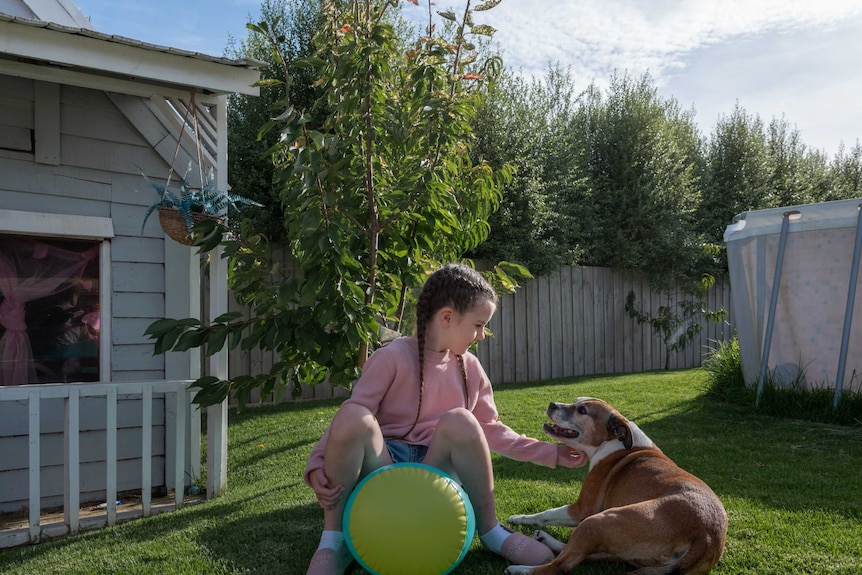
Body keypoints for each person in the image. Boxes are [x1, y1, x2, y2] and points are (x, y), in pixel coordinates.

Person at [304, 263, 587, 575]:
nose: (481, 335)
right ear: (448, 318)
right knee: (355, 413)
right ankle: (332, 540)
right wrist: (317, 464)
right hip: (383, 468)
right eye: (478, 325)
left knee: (462, 421)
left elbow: (489, 429)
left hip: (436, 471)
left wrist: (551, 452)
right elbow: (348, 418)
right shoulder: (390, 358)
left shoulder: (471, 369)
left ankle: (492, 531)